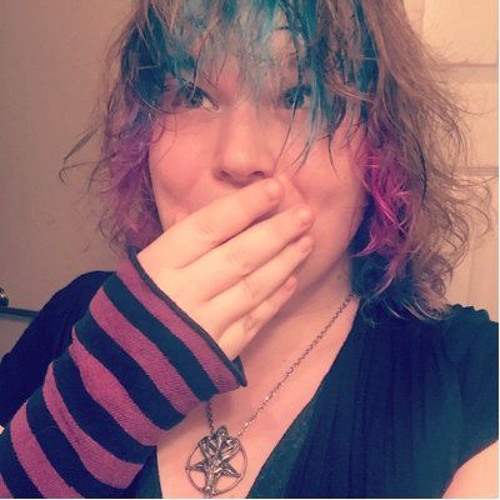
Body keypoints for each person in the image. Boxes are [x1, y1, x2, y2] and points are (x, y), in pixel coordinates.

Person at [0, 0, 497, 497]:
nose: (238, 157)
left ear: (383, 142)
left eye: (299, 96)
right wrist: (101, 402)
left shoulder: (473, 379)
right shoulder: (75, 322)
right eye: (192, 94)